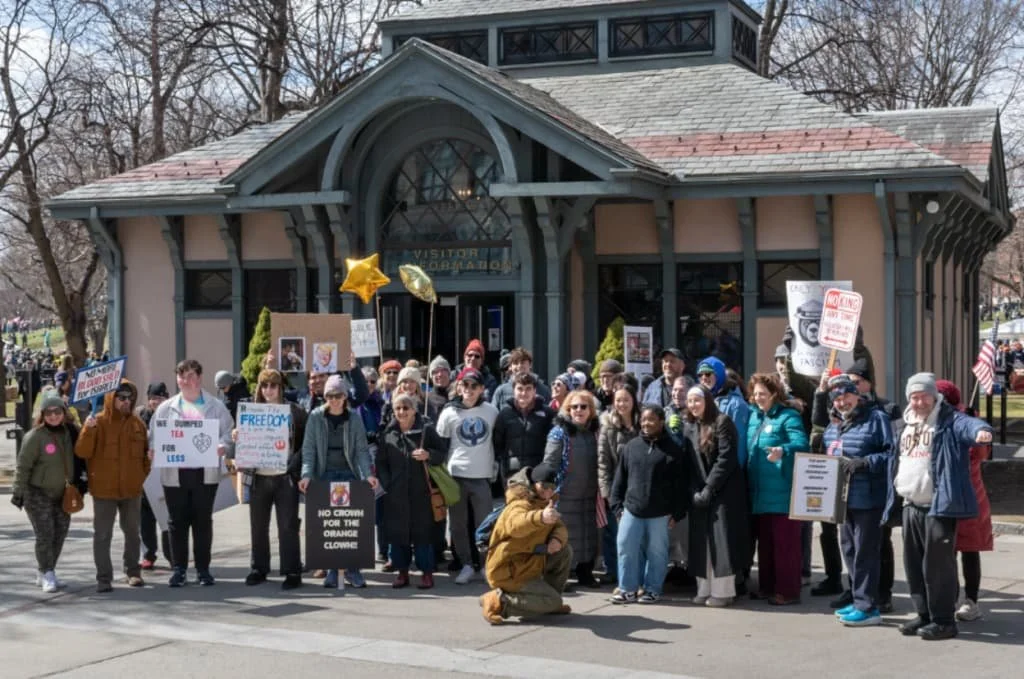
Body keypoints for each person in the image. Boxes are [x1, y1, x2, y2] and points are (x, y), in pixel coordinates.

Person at [886, 373, 993, 640]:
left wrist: (982, 432)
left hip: (939, 507)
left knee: (939, 568)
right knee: (914, 566)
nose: (920, 401)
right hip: (911, 503)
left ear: (935, 396)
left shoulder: (949, 420)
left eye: (924, 396)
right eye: (914, 396)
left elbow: (971, 426)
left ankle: (944, 621)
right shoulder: (904, 423)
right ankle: (924, 615)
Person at [152, 359, 235, 588]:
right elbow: (154, 437)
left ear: (199, 377)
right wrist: (153, 450)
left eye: (190, 375)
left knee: (202, 522)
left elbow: (228, 433)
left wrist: (222, 446)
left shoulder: (215, 406)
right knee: (176, 522)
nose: (185, 380)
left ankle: (203, 569)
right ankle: (178, 569)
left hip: (204, 474)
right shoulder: (165, 408)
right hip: (174, 473)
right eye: (181, 375)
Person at [821, 375, 894, 626]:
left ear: (857, 395)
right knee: (850, 550)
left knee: (866, 553)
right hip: (842, 499)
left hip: (868, 498)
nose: (842, 402)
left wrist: (866, 462)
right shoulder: (835, 424)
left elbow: (891, 453)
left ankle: (868, 607)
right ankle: (857, 599)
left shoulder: (877, 419)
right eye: (837, 399)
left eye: (846, 396)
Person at [299, 374, 377, 589]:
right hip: (325, 473)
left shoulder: (354, 418)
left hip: (349, 472)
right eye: (330, 395)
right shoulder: (315, 417)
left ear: (345, 396)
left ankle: (353, 571)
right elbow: (309, 450)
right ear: (325, 396)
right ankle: (332, 571)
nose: (334, 399)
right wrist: (306, 474)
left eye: (338, 395)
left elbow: (362, 450)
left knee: (350, 526)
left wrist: (367, 474)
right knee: (329, 527)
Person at [75, 380, 151, 592]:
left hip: (131, 490)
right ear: (111, 398)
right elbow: (82, 452)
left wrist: (141, 474)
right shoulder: (97, 422)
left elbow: (146, 455)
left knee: (133, 533)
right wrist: (87, 431)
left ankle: (133, 572)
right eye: (122, 398)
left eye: (129, 398)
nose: (126, 402)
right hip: (103, 490)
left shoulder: (138, 424)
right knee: (102, 535)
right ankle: (103, 578)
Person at [235, 369, 307, 590]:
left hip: (284, 477)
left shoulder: (294, 412)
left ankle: (292, 570)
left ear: (280, 387)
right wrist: (237, 436)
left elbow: (305, 444)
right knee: (258, 526)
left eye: (273, 386)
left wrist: (294, 468)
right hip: (258, 476)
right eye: (264, 386)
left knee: (287, 526)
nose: (268, 390)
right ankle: (259, 568)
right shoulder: (250, 412)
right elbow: (241, 442)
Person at [609, 404, 688, 604]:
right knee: (625, 546)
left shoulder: (674, 450)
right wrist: (617, 507)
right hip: (632, 510)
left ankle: (653, 589)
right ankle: (627, 589)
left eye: (651, 419)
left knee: (657, 552)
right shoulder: (631, 447)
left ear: (661, 422)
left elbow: (681, 486)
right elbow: (620, 480)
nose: (646, 423)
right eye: (643, 419)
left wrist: (677, 513)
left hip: (660, 513)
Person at [480, 463, 572, 624]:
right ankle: (499, 602)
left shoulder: (544, 502)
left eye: (552, 487)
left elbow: (560, 527)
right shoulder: (518, 504)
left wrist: (556, 539)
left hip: (529, 564)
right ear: (533, 484)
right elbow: (516, 526)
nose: (548, 491)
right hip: (509, 570)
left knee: (565, 551)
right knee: (554, 601)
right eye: (544, 486)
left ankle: (548, 603)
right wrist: (540, 518)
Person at [684, 386, 749, 607]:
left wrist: (709, 488)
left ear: (708, 401)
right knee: (701, 541)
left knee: (721, 542)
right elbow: (690, 464)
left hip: (724, 491)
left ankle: (723, 592)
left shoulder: (722, 422)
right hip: (701, 492)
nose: (693, 405)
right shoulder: (691, 426)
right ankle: (704, 588)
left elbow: (726, 458)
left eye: (697, 400)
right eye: (690, 401)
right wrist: (694, 491)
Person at [746, 373, 808, 605]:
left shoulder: (788, 416)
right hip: (760, 492)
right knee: (766, 544)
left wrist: (782, 450)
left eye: (762, 393)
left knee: (786, 545)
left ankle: (788, 591)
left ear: (774, 394)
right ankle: (767, 587)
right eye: (755, 393)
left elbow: (802, 443)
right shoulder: (754, 417)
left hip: (783, 489)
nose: (758, 398)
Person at [934, 380, 993, 623]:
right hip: (941, 495)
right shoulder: (931, 421)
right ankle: (951, 597)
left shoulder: (965, 422)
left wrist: (974, 433)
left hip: (970, 494)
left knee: (969, 550)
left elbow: (981, 453)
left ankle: (971, 600)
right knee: (945, 552)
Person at [435, 367, 499, 584]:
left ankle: (484, 565)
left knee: (485, 524)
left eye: (474, 386)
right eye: (465, 385)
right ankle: (465, 564)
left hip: (482, 476)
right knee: (458, 525)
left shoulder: (492, 412)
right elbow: (440, 447)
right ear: (459, 387)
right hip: (455, 476)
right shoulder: (448, 412)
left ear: (481, 388)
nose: (469, 390)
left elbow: (498, 443)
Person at [376, 393, 447, 589]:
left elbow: (442, 453)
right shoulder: (388, 434)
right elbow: (381, 463)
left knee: (423, 535)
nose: (401, 412)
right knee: (398, 536)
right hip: (396, 494)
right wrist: (388, 483)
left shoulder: (426, 430)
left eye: (406, 407)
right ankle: (402, 572)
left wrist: (428, 455)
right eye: (397, 408)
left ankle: (426, 573)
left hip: (421, 492)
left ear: (414, 409)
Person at [11, 392, 79, 593]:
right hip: (37, 493)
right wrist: (18, 491)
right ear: (42, 414)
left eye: (57, 411)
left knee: (60, 532)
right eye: (48, 412)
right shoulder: (35, 437)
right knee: (45, 534)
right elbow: (23, 466)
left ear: (63, 412)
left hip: (62, 492)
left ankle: (46, 571)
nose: (53, 416)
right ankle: (48, 572)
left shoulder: (70, 433)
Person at [544, 389, 602, 588]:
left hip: (590, 494)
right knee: (564, 535)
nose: (579, 410)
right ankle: (562, 574)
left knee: (588, 535)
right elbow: (550, 463)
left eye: (583, 407)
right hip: (565, 493)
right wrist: (547, 488)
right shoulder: (559, 433)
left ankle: (585, 572)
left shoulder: (595, 432)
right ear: (567, 409)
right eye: (574, 407)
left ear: (591, 410)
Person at [597, 384, 639, 588]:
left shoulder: (642, 424)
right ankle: (616, 573)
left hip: (640, 488)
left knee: (637, 537)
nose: (622, 404)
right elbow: (603, 462)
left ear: (634, 401)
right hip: (616, 489)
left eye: (626, 400)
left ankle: (637, 576)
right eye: (618, 400)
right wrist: (606, 491)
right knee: (615, 534)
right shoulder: (608, 427)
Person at [493, 372, 556, 483]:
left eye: (528, 389)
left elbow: (553, 444)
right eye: (520, 389)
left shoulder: (547, 413)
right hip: (512, 473)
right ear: (514, 390)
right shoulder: (505, 414)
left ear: (534, 391)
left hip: (539, 473)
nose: (524, 393)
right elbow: (497, 443)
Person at [136, 381, 171, 570]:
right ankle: (148, 554)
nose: (155, 402)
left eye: (159, 398)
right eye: (152, 398)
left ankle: (172, 555)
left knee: (167, 516)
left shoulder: (175, 414)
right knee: (145, 517)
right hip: (144, 474)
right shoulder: (139, 416)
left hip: (167, 473)